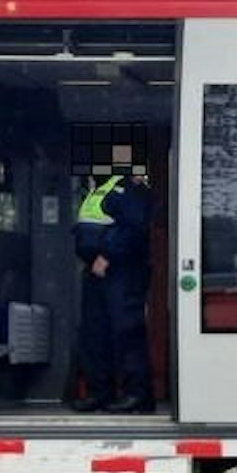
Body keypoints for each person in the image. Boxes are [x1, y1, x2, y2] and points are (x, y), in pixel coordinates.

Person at [71, 166, 154, 413]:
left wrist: (107, 255)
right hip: (95, 272)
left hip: (121, 271)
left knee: (126, 332)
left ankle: (137, 395)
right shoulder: (95, 190)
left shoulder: (126, 186)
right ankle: (100, 393)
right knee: (94, 334)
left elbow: (135, 227)